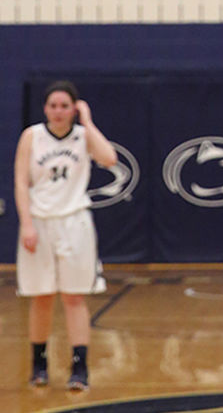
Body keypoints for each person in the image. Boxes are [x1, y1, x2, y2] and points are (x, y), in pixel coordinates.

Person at [14, 80, 117, 391]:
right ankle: (39, 363)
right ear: (45, 108)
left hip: (75, 223)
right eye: (53, 105)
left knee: (74, 297)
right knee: (42, 297)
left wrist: (87, 122)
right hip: (40, 223)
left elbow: (110, 159)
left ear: (74, 107)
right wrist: (27, 224)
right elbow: (20, 183)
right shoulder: (32, 136)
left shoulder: (84, 137)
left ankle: (79, 367)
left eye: (64, 105)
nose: (58, 111)